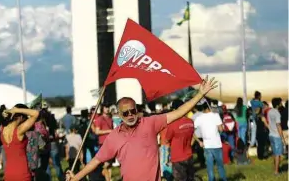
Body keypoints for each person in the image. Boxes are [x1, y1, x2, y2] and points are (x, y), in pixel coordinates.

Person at [66, 76, 218, 181]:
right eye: (125, 113)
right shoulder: (114, 136)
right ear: (119, 114)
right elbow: (96, 160)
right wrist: (77, 177)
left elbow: (179, 112)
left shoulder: (150, 123)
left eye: (133, 110)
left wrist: (200, 94)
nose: (130, 115)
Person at [0, 104, 39, 181]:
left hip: (8, 173)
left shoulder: (2, 129)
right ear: (21, 117)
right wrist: (16, 110)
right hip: (22, 173)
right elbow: (36, 113)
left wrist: (11, 112)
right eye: (25, 119)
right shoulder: (19, 130)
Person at [194, 101, 227, 181]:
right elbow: (221, 130)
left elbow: (191, 130)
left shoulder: (199, 118)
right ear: (209, 106)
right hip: (216, 144)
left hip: (206, 145)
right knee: (220, 166)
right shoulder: (215, 115)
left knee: (210, 167)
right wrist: (222, 125)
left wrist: (199, 141)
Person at [166, 99, 194, 181]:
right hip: (189, 155)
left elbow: (167, 139)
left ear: (175, 110)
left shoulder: (172, 124)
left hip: (177, 158)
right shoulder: (191, 122)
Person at [268, 97, 287, 175]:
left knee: (274, 153)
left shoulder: (270, 111)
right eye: (280, 103)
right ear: (278, 104)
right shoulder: (277, 113)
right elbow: (278, 126)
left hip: (271, 135)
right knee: (278, 154)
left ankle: (275, 168)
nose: (281, 104)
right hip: (276, 136)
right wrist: (283, 138)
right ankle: (276, 171)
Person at [94, 104, 114, 181]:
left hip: (111, 142)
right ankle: (103, 174)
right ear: (102, 109)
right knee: (106, 162)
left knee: (110, 163)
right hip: (103, 143)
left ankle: (109, 179)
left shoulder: (110, 119)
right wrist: (109, 131)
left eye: (108, 107)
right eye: (106, 107)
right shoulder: (99, 119)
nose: (107, 108)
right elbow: (97, 131)